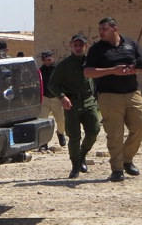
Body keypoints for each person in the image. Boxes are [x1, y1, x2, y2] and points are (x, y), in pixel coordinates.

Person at [84, 17, 142, 182]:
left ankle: (127, 159)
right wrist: (113, 70)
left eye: (104, 28)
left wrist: (140, 67)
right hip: (109, 95)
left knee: (141, 127)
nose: (100, 32)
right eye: (99, 29)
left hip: (133, 92)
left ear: (114, 28)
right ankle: (117, 169)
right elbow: (88, 72)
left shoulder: (131, 44)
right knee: (115, 134)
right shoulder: (97, 49)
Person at [49, 34, 102, 178]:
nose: (78, 48)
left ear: (86, 46)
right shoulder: (64, 65)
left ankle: (82, 155)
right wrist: (62, 97)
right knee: (74, 136)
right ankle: (75, 165)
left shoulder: (90, 62)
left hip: (89, 101)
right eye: (75, 45)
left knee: (94, 130)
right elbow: (52, 84)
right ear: (71, 46)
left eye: (81, 45)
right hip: (71, 103)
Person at [38, 50, 67, 148]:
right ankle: (43, 142)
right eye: (45, 60)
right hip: (44, 98)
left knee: (61, 120)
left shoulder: (58, 69)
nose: (47, 62)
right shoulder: (40, 71)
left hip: (57, 98)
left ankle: (60, 133)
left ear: (53, 57)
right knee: (43, 122)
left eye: (49, 59)